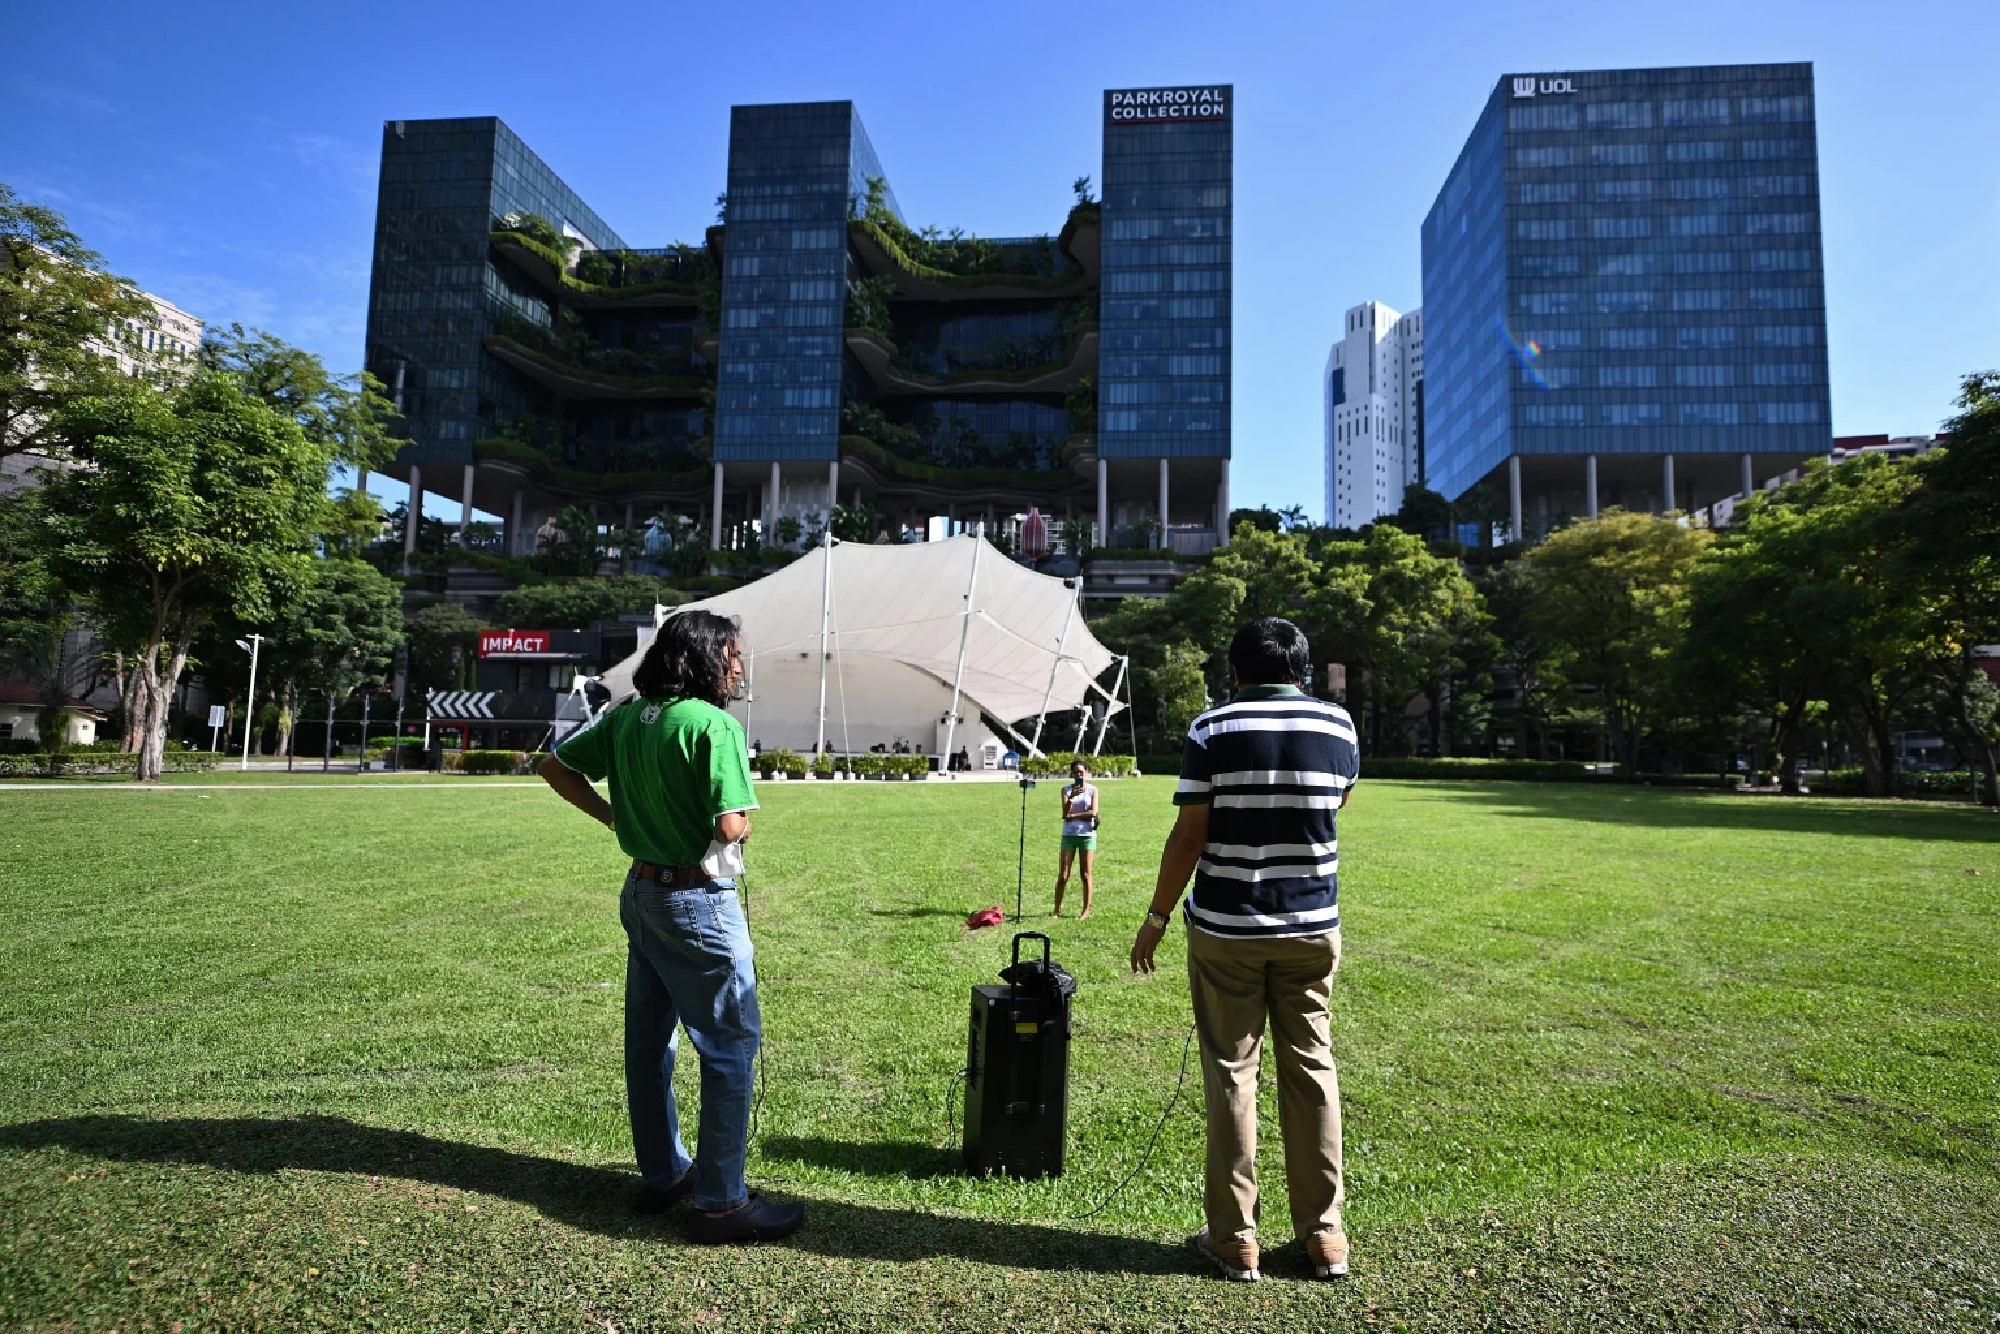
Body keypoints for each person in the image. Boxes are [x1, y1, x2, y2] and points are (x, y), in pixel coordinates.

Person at [538, 610, 804, 1244]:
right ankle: (721, 1203)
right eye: (733, 655)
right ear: (707, 658)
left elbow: (554, 766)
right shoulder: (713, 725)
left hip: (642, 892)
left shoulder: (629, 715)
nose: (739, 666)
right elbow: (732, 826)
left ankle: (664, 1176)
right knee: (730, 1047)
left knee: (650, 1042)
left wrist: (617, 821)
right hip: (696, 901)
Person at [1129, 617, 1359, 1284]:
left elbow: (1188, 834)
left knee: (1233, 1073)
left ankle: (1235, 1241)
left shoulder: (1213, 728)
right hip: (1312, 926)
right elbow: (1339, 800)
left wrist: (1156, 917)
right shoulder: (1339, 726)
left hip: (1228, 929)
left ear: (1235, 672)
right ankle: (1325, 1238)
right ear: (1301, 671)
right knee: (1312, 1069)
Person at [1053, 759, 1099, 918]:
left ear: (1086, 772)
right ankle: (1056, 909)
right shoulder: (1066, 790)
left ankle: (1085, 910)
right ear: (1072, 774)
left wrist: (1073, 815)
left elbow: (1093, 812)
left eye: (1081, 771)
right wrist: (1072, 797)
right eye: (1076, 772)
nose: (1079, 774)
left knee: (1085, 874)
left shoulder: (1093, 790)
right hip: (1069, 835)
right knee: (1063, 875)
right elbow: (1064, 814)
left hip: (1087, 835)